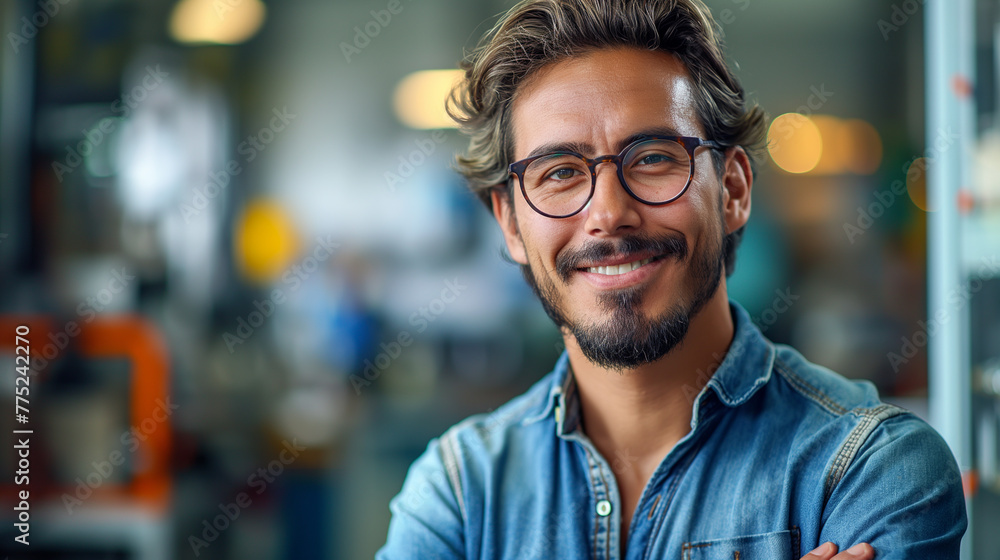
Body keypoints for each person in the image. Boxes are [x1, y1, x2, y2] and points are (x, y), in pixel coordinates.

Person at [376, 0, 968, 558]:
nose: (608, 213)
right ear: (509, 223)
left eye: (654, 157)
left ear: (733, 190)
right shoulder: (459, 491)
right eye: (559, 172)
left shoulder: (874, 471)